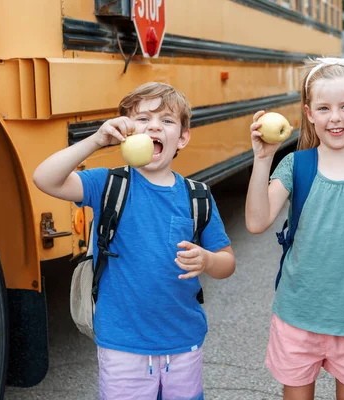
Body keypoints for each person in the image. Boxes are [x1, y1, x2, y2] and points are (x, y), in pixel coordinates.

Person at [33, 82, 235, 400]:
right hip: (122, 344)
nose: (154, 125)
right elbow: (45, 178)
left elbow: (226, 262)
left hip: (183, 341)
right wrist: (97, 140)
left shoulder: (197, 196)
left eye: (167, 120)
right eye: (142, 119)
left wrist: (208, 260)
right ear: (127, 131)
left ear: (183, 137)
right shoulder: (108, 184)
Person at [245, 58, 344, 400]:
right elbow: (257, 222)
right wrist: (262, 160)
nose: (335, 117)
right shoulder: (295, 165)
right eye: (324, 108)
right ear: (309, 114)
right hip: (297, 315)